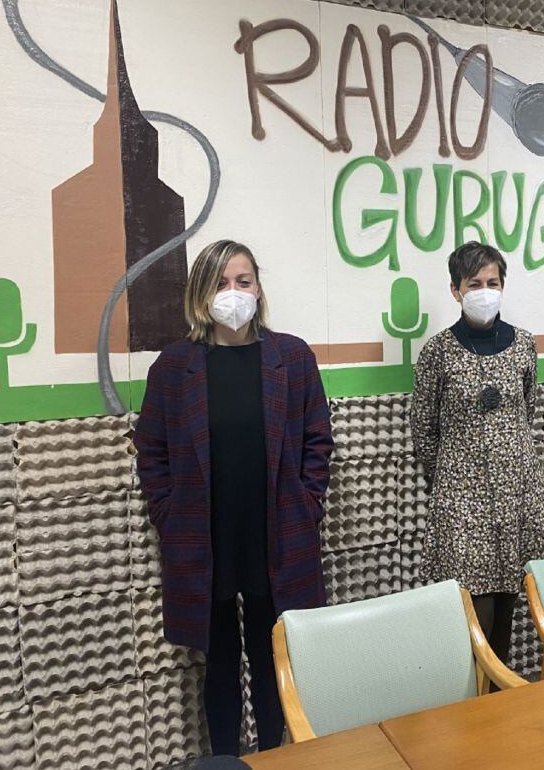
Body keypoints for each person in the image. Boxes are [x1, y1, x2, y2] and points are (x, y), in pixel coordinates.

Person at [134, 239, 333, 755]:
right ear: (201, 294)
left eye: (243, 281)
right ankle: (224, 760)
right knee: (217, 662)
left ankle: (274, 757)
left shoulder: (290, 356)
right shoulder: (174, 367)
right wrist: (167, 514)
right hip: (205, 540)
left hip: (276, 536)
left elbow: (318, 439)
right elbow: (150, 449)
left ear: (258, 288)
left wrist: (308, 503)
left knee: (274, 659)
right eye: (221, 283)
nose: (233, 293)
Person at [410, 241, 544, 673]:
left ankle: (501, 701)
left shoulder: (524, 344)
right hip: (461, 499)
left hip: (518, 494)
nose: (485, 291)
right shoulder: (438, 351)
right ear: (455, 290)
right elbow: (424, 428)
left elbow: (531, 411)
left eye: (493, 282)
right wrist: (453, 477)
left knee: (510, 600)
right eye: (475, 283)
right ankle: (470, 704)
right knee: (473, 609)